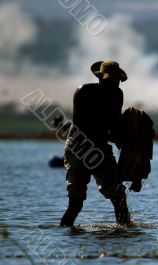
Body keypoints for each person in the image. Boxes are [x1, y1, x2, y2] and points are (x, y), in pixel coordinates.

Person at [60, 61, 131, 227]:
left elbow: (113, 125)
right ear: (100, 79)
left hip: (101, 146)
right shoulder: (84, 92)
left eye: (115, 81)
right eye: (109, 81)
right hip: (79, 146)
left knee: (119, 196)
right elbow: (81, 127)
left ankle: (126, 231)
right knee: (75, 204)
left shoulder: (117, 95)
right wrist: (112, 136)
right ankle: (65, 233)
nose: (113, 84)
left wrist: (124, 141)